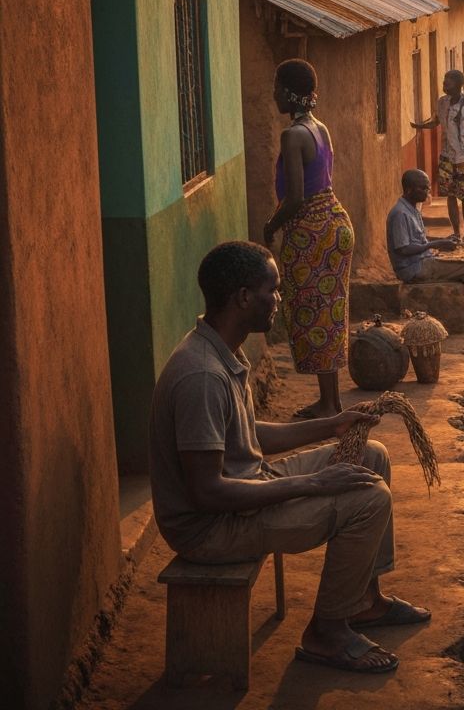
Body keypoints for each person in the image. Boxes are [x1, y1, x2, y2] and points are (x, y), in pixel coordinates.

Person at [149, 242, 429, 675]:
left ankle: (364, 602)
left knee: (370, 456)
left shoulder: (223, 349)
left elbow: (248, 435)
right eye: (273, 289)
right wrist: (312, 484)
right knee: (370, 499)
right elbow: (207, 493)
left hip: (248, 488)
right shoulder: (201, 375)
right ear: (244, 297)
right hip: (212, 530)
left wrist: (333, 425)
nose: (280, 298)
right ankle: (326, 633)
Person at [263, 59, 352, 419]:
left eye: (276, 88)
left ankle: (328, 403)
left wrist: (271, 225)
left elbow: (296, 197)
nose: (273, 95)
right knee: (329, 312)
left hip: (311, 229)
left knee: (312, 312)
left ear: (288, 92)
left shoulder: (292, 136)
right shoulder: (320, 128)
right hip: (335, 222)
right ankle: (331, 401)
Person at [386, 169, 464, 332]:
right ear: (409, 189)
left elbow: (419, 240)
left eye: (427, 188)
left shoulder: (412, 208)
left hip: (422, 261)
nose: (427, 191)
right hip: (413, 268)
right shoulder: (400, 213)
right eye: (422, 188)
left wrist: (442, 241)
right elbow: (403, 249)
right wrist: (434, 244)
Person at [411, 69, 464, 247]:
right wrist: (420, 126)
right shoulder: (442, 102)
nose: (444, 84)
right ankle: (456, 233)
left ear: (458, 84)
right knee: (450, 195)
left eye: (447, 81)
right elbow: (436, 121)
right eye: (444, 80)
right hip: (447, 157)